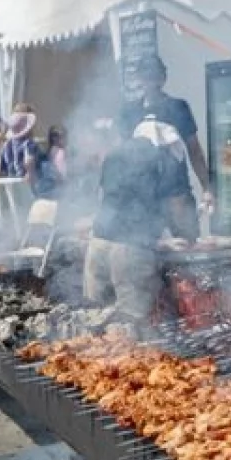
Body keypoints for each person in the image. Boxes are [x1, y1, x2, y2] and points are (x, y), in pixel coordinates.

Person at [85, 117, 198, 337]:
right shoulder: (161, 158)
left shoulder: (114, 154)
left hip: (97, 245)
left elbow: (105, 198)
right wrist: (185, 235)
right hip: (130, 253)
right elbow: (176, 203)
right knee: (132, 326)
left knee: (96, 322)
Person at [118, 56, 214, 217]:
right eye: (147, 76)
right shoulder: (129, 112)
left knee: (186, 241)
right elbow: (122, 156)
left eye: (155, 75)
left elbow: (194, 150)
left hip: (177, 194)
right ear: (139, 78)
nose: (151, 81)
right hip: (143, 198)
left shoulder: (178, 107)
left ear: (163, 77)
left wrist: (207, 188)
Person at [0, 110, 41, 184]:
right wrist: (30, 173)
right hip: (26, 182)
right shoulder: (28, 144)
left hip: (12, 182)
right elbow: (29, 161)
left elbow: (2, 168)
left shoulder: (6, 145)